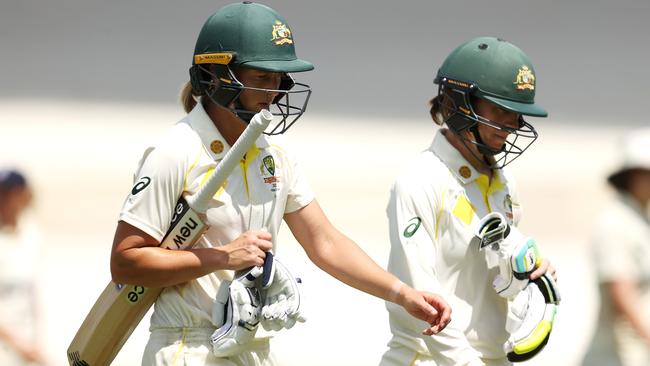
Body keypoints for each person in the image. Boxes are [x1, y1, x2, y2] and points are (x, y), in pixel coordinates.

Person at [110, 2, 450, 365]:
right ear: (216, 76)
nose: (273, 92)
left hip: (253, 350)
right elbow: (126, 262)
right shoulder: (176, 152)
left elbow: (325, 242)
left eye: (279, 79)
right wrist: (221, 257)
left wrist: (401, 293)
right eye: (261, 77)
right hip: (188, 348)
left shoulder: (274, 154)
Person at [380, 37, 559, 366]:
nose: (511, 126)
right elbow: (422, 302)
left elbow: (488, 283)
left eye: (517, 114)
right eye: (500, 110)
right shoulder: (421, 180)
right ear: (460, 103)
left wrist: (528, 275)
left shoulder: (503, 182)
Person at [582, 129, 650, 366]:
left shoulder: (640, 219)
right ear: (632, 176)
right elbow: (621, 291)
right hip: (615, 356)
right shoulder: (616, 221)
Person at [0, 169, 44, 365]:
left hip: (27, 348)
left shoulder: (31, 234)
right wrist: (17, 343)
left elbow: (33, 293)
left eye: (12, 194)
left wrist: (34, 343)